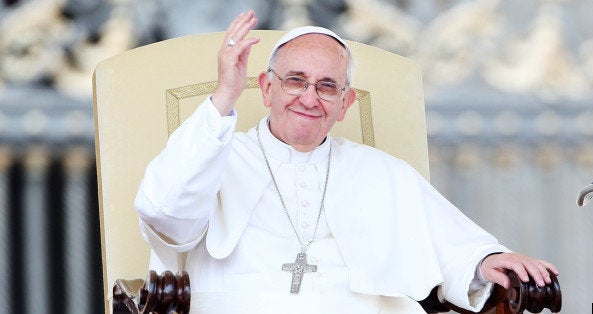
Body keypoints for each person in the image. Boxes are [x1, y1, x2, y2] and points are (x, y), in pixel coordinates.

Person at [134, 10, 559, 314]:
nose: (308, 97)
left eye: (327, 86)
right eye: (295, 80)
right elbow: (165, 213)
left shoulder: (382, 172)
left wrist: (485, 261)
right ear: (265, 88)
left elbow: (450, 246)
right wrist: (224, 96)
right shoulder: (214, 156)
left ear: (345, 103)